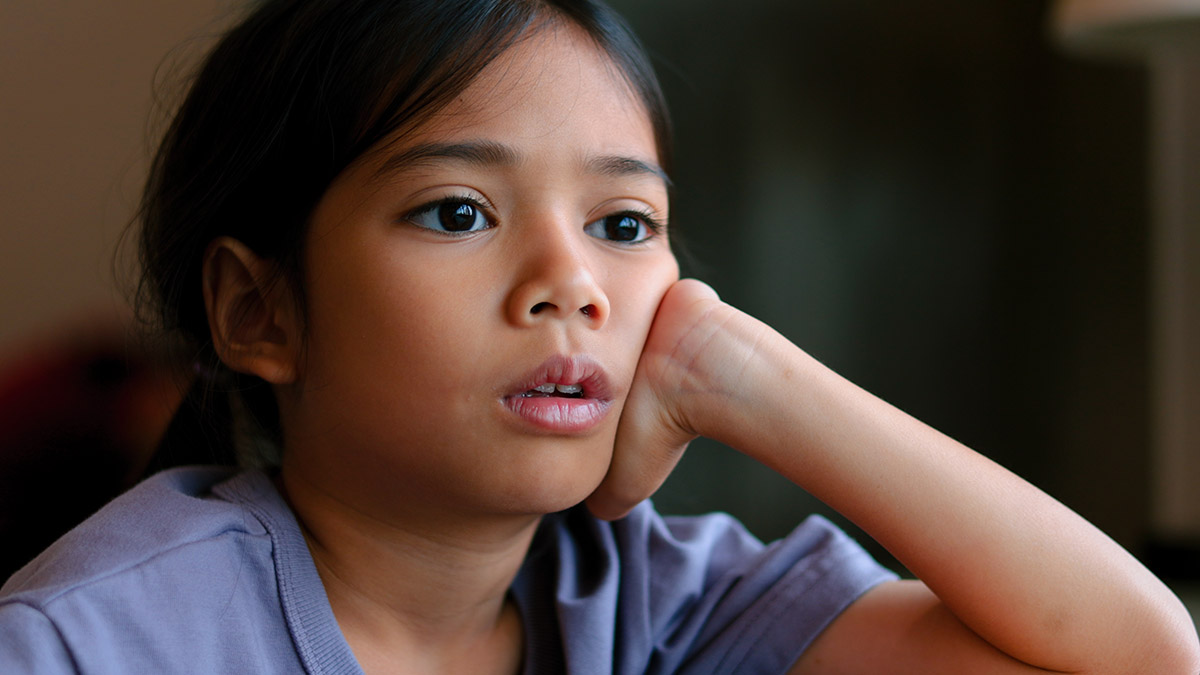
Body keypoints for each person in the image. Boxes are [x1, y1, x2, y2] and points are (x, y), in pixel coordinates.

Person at [2, 0, 1197, 672]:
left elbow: (1138, 656)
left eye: (624, 223)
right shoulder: (98, 641)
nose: (568, 282)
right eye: (458, 213)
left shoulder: (661, 606)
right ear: (260, 311)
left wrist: (737, 369)